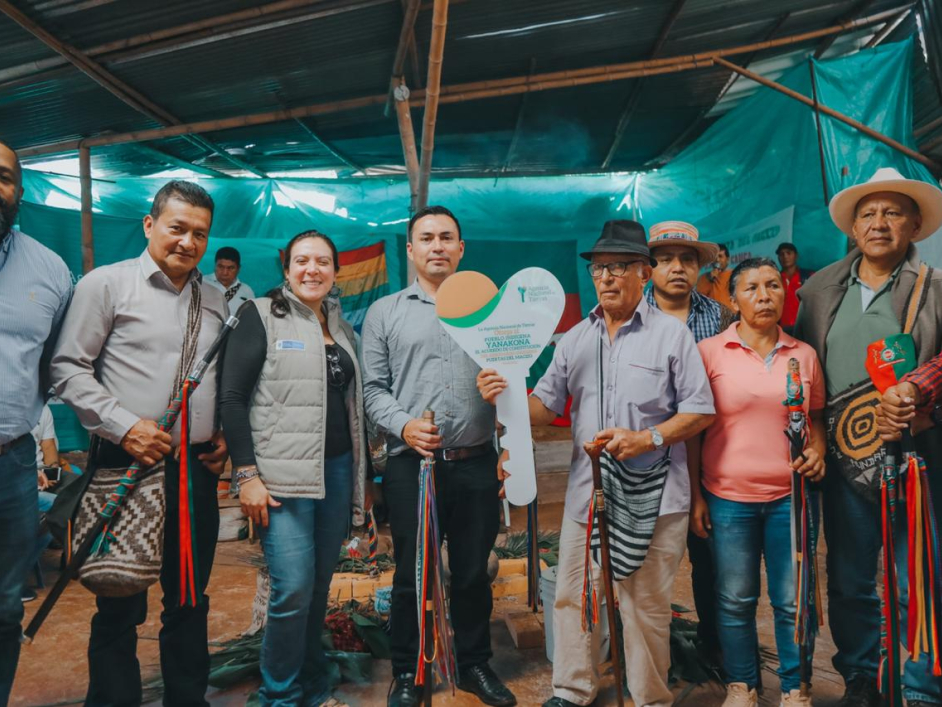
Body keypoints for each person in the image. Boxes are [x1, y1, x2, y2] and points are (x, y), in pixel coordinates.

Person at [478, 220, 715, 707]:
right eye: (598, 268)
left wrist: (647, 438)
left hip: (655, 494)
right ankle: (572, 689)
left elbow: (700, 410)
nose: (605, 277)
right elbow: (545, 407)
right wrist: (506, 394)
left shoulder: (671, 335)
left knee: (645, 606)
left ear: (643, 273)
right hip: (587, 494)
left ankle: (649, 698)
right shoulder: (575, 339)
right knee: (572, 595)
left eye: (618, 267)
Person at [51, 180, 230, 707]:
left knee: (190, 596)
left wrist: (220, 432)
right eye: (177, 228)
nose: (188, 242)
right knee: (119, 597)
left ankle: (187, 699)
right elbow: (67, 368)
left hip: (194, 471)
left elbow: (218, 376)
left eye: (200, 233)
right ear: (150, 224)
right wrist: (124, 425)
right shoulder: (106, 285)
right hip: (125, 464)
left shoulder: (214, 298)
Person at [794, 167, 942, 707]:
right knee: (849, 578)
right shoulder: (818, 291)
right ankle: (861, 675)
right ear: (853, 228)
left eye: (892, 212)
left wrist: (921, 393)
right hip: (842, 462)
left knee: (916, 575)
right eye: (868, 214)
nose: (879, 223)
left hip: (918, 459)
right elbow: (805, 371)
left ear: (915, 225)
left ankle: (921, 685)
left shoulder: (936, 289)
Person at [361, 205, 516, 707]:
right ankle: (409, 670)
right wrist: (405, 425)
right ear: (410, 249)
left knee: (472, 572)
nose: (437, 246)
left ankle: (474, 664)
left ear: (461, 248)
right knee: (413, 573)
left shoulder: (491, 311)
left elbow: (514, 373)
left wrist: (505, 394)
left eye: (447, 237)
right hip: (412, 465)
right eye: (426, 238)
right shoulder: (386, 312)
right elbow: (372, 389)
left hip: (475, 461)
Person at [219, 230, 367, 707]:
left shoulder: (342, 327)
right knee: (293, 587)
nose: (312, 270)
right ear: (286, 268)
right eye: (302, 260)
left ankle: (312, 683)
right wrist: (246, 474)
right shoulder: (260, 314)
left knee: (318, 587)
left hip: (336, 472)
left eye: (323, 262)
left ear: (336, 272)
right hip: (280, 478)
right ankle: (278, 695)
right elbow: (232, 398)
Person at [696, 258, 826, 707]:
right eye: (751, 288)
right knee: (735, 598)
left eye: (772, 285)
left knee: (792, 599)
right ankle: (742, 685)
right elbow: (693, 430)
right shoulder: (710, 352)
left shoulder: (803, 354)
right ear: (733, 300)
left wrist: (818, 450)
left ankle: (795, 686)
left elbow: (816, 416)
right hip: (727, 498)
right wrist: (696, 497)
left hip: (793, 499)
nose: (764, 295)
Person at [0, 139, 72, 705]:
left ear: (20, 192)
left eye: (3, 177)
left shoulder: (50, 270)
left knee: (5, 605)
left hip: (12, 464)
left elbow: (57, 365)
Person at [644, 220, 729, 662]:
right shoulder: (627, 315)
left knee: (710, 558)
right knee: (644, 561)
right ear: (649, 268)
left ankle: (715, 649)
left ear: (699, 266)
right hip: (645, 456)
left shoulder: (722, 318)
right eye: (665, 259)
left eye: (687, 259)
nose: (677, 268)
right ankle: (647, 657)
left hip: (711, 454)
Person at [775, 243, 813, 334]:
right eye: (781, 254)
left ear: (796, 256)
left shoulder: (808, 277)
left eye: (788, 253)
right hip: (782, 330)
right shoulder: (775, 279)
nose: (785, 257)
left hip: (805, 328)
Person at [697, 242, 733, 309]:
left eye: (720, 256)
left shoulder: (734, 275)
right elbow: (699, 300)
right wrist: (709, 279)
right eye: (715, 257)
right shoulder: (703, 278)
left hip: (731, 314)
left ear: (727, 260)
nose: (717, 260)